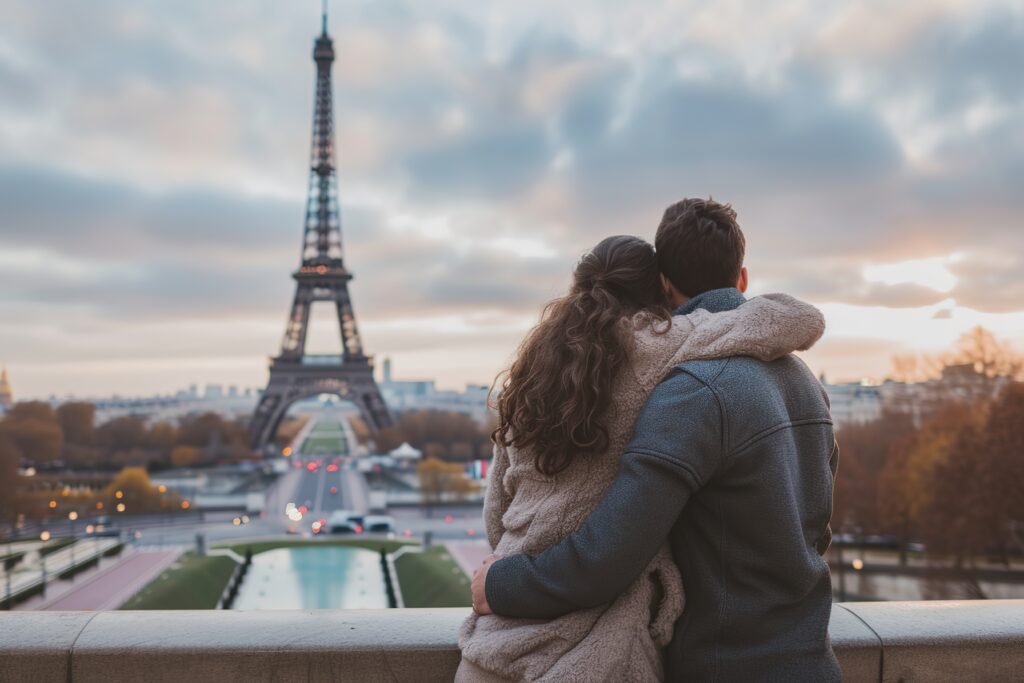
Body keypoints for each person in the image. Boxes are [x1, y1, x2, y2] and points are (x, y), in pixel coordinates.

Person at [472, 199, 841, 682]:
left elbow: (610, 553)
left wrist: (500, 584)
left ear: (664, 284)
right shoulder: (806, 382)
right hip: (810, 658)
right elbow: (816, 531)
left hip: (723, 666)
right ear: (743, 278)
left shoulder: (691, 392)